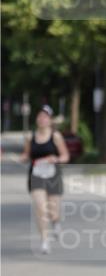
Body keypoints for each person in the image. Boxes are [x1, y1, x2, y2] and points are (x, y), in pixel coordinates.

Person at [19, 104, 70, 253]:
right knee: (41, 207)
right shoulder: (30, 137)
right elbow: (26, 155)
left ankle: (56, 222)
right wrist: (18, 158)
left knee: (53, 210)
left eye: (45, 117)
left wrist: (56, 159)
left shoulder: (56, 136)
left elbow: (65, 156)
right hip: (36, 174)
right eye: (40, 116)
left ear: (50, 120)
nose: (42, 119)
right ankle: (45, 241)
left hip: (53, 174)